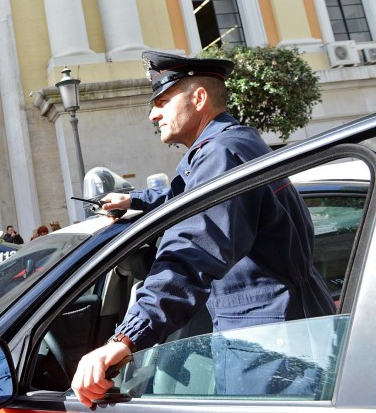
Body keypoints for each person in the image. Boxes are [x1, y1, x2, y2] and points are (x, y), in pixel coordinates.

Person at [71, 50, 336, 406]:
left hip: (269, 346)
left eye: (163, 101)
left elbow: (191, 250)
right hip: (283, 331)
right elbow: (186, 197)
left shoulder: (220, 155)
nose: (154, 114)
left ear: (198, 98)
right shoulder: (233, 142)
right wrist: (134, 201)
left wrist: (125, 339)